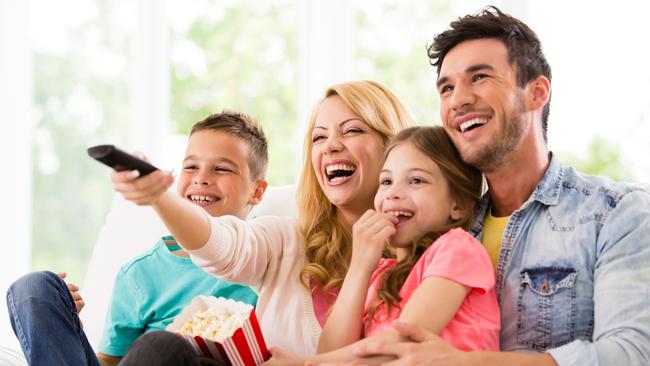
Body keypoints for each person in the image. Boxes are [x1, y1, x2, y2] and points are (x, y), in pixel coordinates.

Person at [350, 6, 650, 366]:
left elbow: (632, 354)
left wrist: (467, 363)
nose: (458, 99)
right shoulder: (438, 223)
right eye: (446, 88)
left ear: (536, 93)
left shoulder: (616, 213)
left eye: (479, 78)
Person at [110, 80, 416, 357]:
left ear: (394, 146)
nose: (331, 146)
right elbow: (222, 244)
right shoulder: (285, 242)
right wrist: (159, 195)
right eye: (319, 137)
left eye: (352, 130)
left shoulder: (427, 260)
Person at [6, 110, 268, 366]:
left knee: (162, 346)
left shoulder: (268, 258)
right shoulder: (140, 273)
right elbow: (110, 361)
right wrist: (66, 331)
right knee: (35, 287)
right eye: (191, 166)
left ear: (256, 191)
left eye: (221, 169)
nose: (201, 178)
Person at [266, 126, 500, 365]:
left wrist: (303, 365)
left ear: (458, 204)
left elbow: (403, 343)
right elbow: (329, 350)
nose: (393, 193)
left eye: (416, 180)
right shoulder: (380, 273)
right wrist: (360, 266)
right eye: (386, 181)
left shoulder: (458, 249)